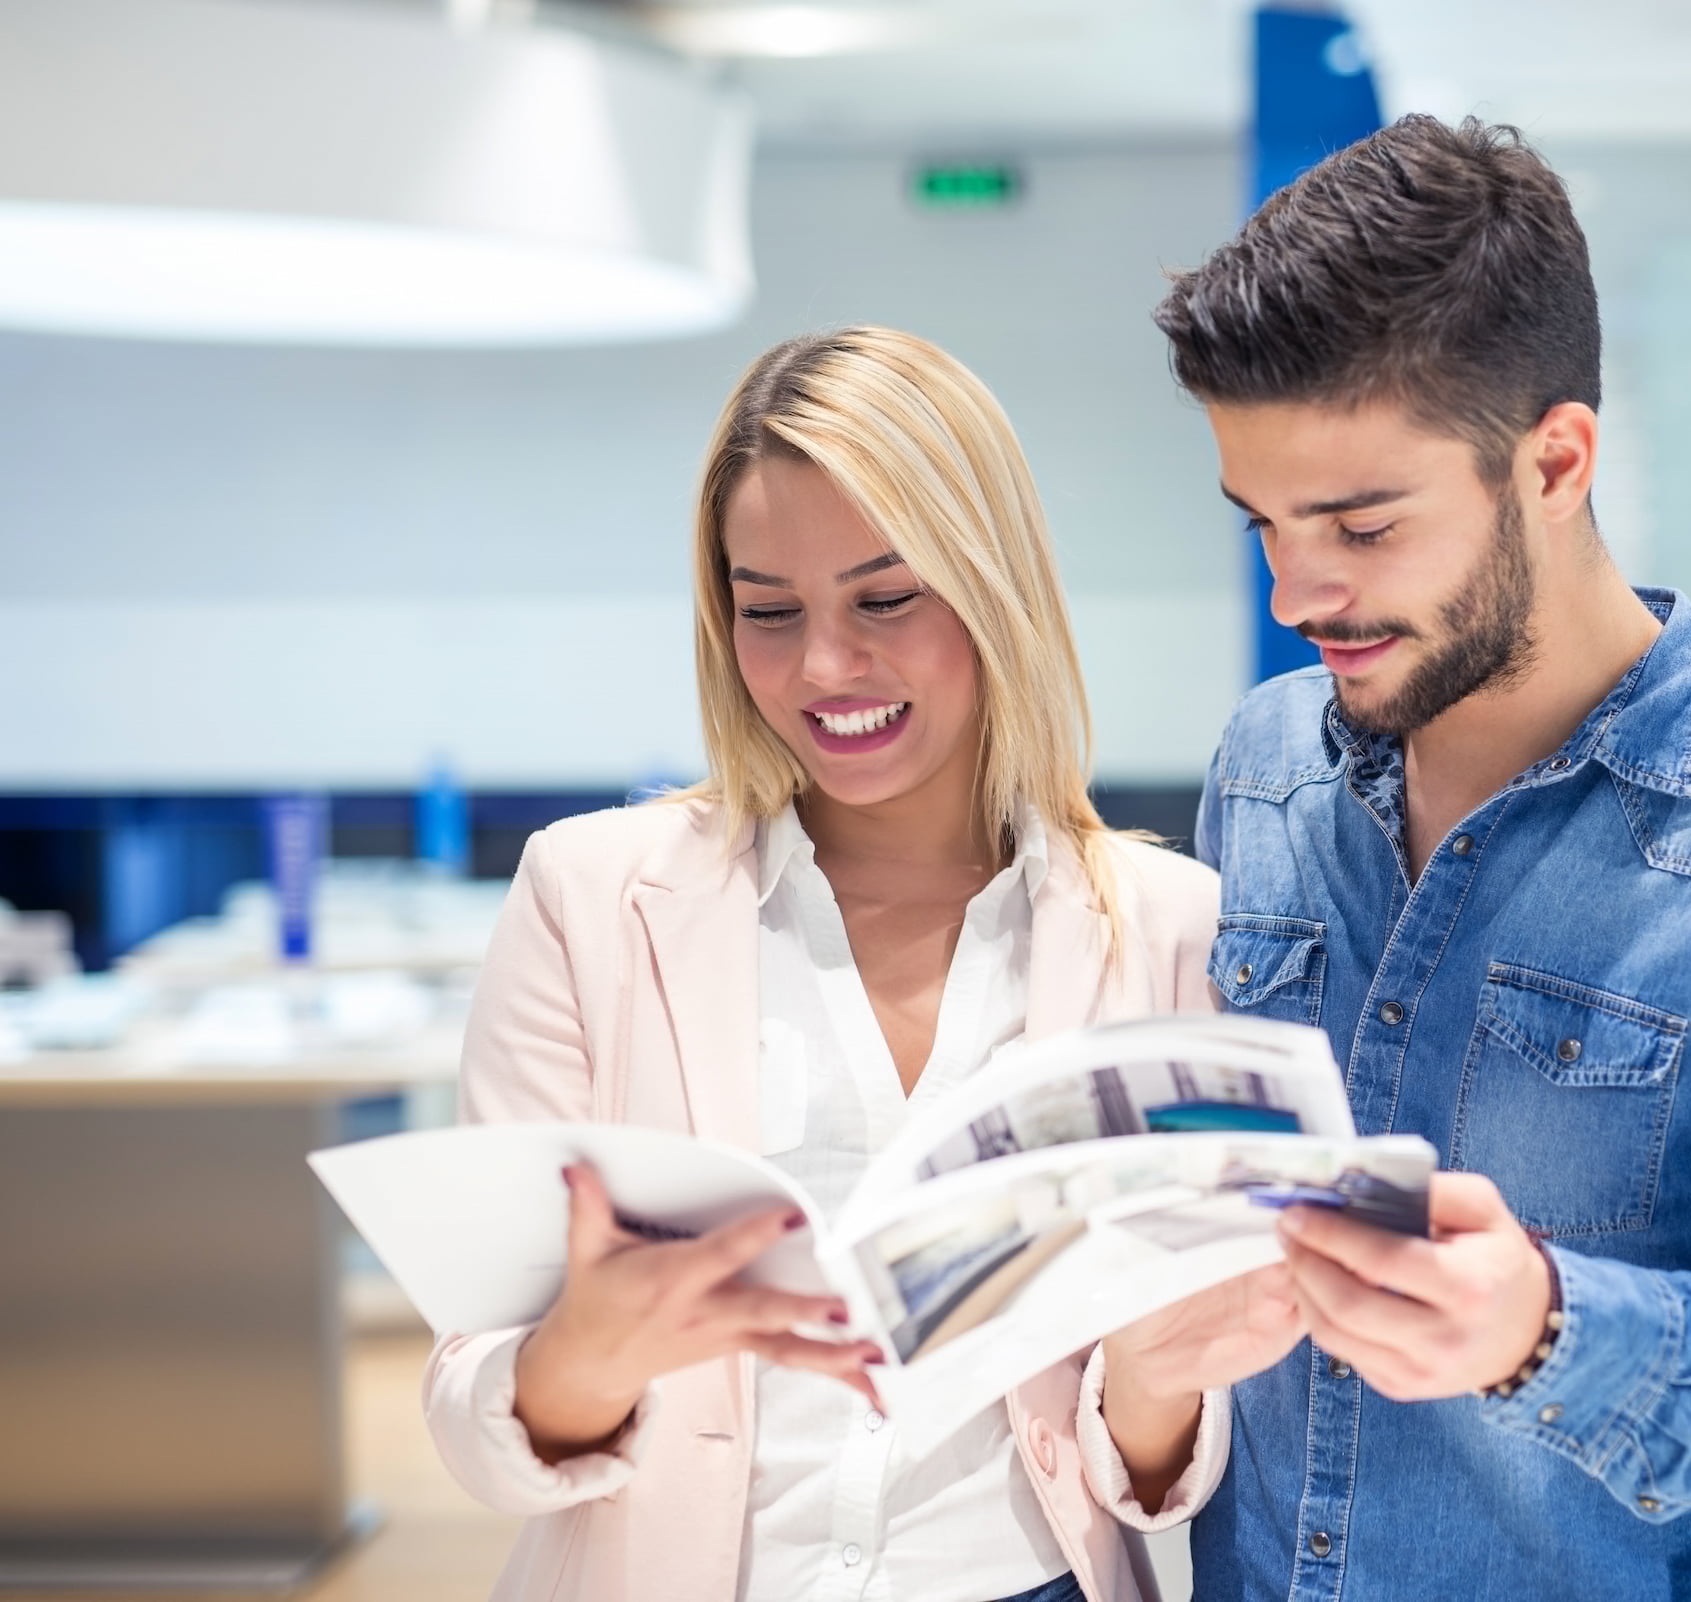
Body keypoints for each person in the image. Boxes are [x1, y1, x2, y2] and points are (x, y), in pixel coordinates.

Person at [1096, 117, 1691, 1601]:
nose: (1296, 592)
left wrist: (1546, 1328)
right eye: (1261, 523)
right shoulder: (1264, 761)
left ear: (1556, 460)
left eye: (1361, 524)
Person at [422, 327, 1271, 1602]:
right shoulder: (591, 898)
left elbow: (1156, 1465)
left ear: (995, 589)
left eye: (885, 600)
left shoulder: (1171, 927)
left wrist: (1158, 1384)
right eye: (770, 612)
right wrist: (577, 1364)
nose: (825, 668)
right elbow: (472, 1401)